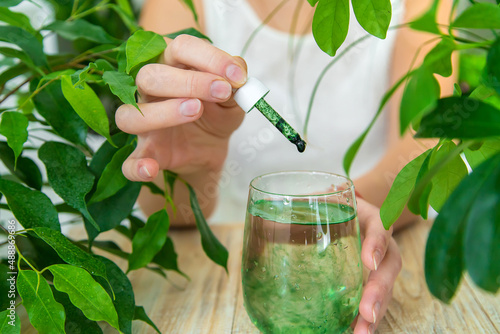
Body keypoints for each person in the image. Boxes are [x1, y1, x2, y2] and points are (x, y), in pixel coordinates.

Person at [116, 0, 454, 332]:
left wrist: (347, 206)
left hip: (365, 227)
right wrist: (190, 168)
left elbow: (429, 146)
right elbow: (173, 215)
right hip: (227, 266)